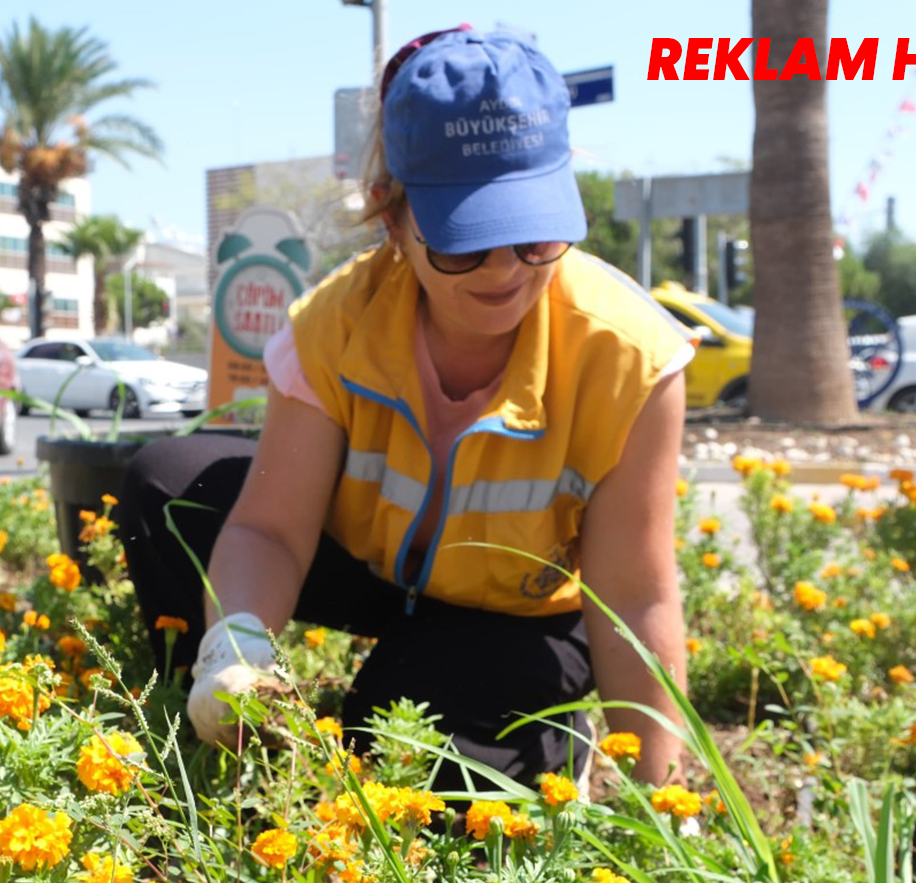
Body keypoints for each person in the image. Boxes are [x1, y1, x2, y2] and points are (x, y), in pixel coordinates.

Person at [117, 26, 696, 789]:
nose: (504, 271)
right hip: (381, 573)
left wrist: (665, 799)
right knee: (167, 485)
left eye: (534, 237)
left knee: (390, 763)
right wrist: (237, 649)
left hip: (517, 617)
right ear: (392, 219)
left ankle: (557, 738)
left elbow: (634, 594)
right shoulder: (339, 322)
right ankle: (206, 717)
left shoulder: (630, 355)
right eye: (465, 244)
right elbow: (270, 527)